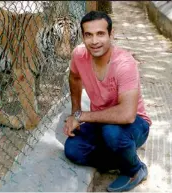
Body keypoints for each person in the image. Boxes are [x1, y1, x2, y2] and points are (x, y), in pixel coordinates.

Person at [63, 11, 151, 192]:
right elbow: (74, 77)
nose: (94, 41)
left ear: (111, 34)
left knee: (112, 133)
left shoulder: (124, 63)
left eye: (100, 34)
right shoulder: (79, 55)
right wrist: (75, 111)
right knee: (72, 149)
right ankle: (120, 156)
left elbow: (127, 115)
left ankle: (135, 169)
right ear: (83, 37)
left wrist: (81, 115)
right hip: (101, 123)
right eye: (89, 35)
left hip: (135, 124)